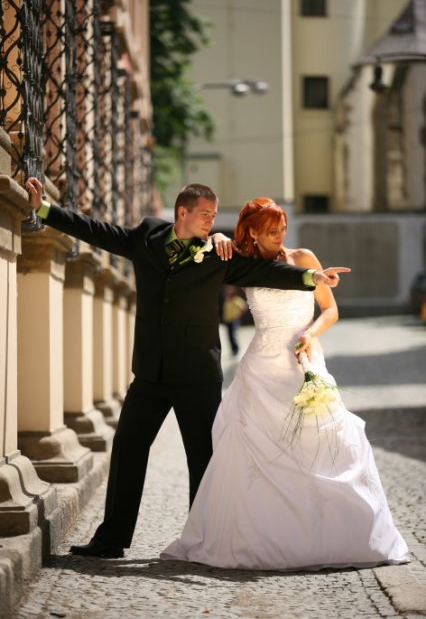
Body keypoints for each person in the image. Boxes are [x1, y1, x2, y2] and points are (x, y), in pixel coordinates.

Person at [25, 179, 349, 559]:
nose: (212, 221)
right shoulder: (146, 237)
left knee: (203, 459)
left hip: (198, 375)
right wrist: (44, 209)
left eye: (215, 215)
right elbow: (98, 231)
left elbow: (262, 272)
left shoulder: (217, 253)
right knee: (128, 447)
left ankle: (204, 539)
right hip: (151, 371)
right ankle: (111, 539)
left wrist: (310, 278)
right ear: (182, 212)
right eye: (206, 214)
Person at [161, 197, 409, 570]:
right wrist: (215, 239)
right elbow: (195, 255)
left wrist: (310, 333)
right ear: (252, 234)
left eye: (282, 230)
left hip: (303, 362)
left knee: (325, 443)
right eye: (271, 232)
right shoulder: (242, 263)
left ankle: (333, 536)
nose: (279, 237)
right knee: (253, 455)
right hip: (261, 370)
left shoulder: (303, 258)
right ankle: (262, 538)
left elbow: (330, 309)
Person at [221, 285, 247, 355]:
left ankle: (236, 349)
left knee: (232, 335)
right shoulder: (227, 300)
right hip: (228, 321)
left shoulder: (237, 300)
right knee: (229, 335)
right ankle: (233, 349)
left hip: (234, 321)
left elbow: (244, 307)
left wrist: (238, 315)